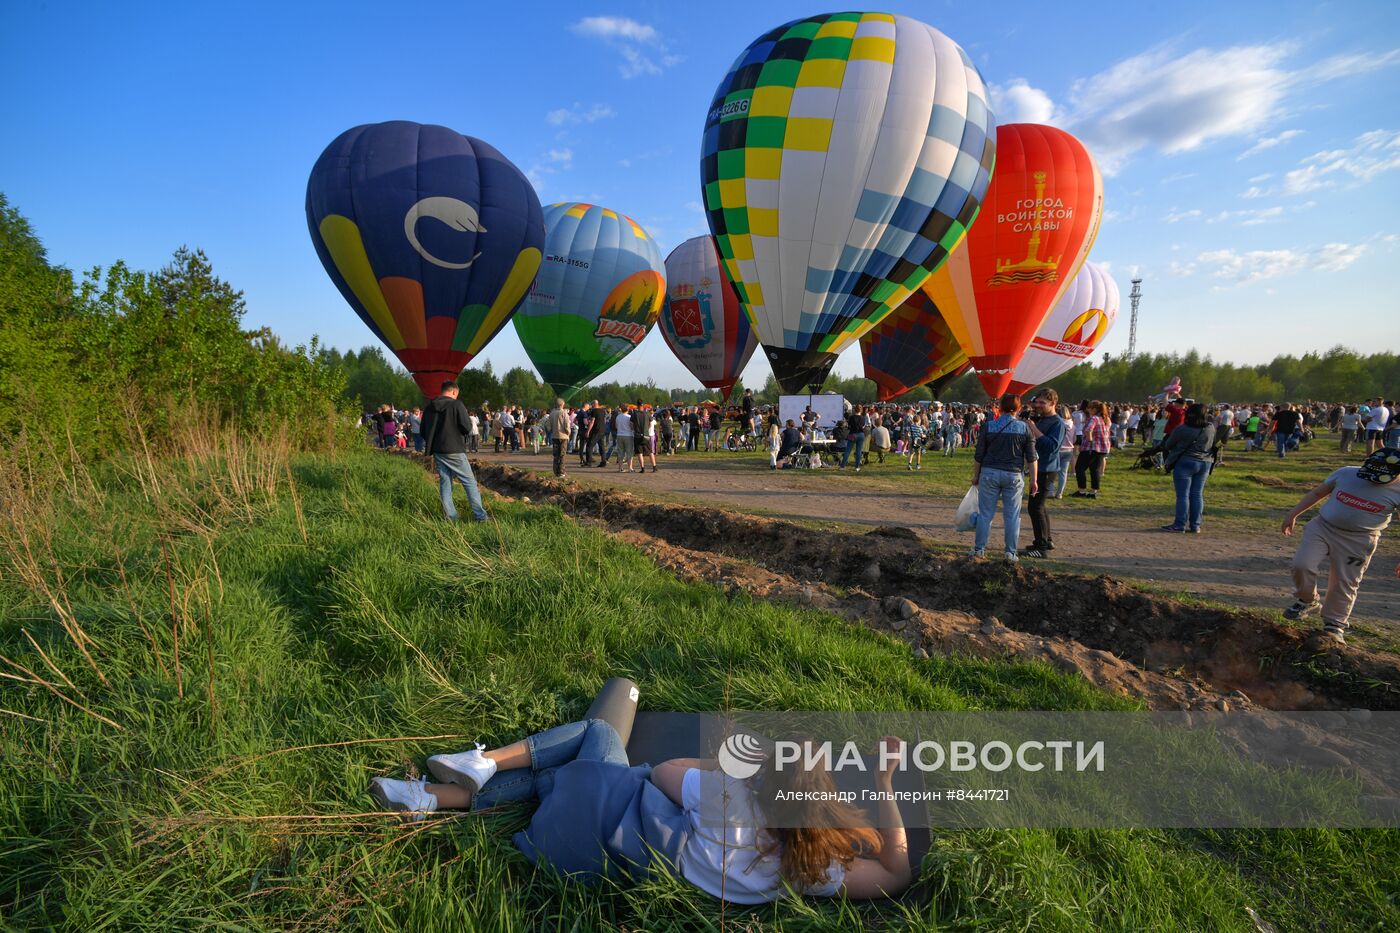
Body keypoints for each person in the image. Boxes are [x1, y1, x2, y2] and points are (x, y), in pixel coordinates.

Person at [367, 719, 911, 903]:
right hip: (615, 861)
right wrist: (884, 783)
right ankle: (430, 799)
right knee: (559, 781)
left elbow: (663, 770)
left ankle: (483, 763)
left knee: (598, 736)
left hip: (617, 816)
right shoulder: (808, 866)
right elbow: (896, 868)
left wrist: (730, 768)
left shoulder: (730, 797)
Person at [1281, 447, 1400, 646]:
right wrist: (1293, 514)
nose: (1372, 479)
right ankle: (1308, 600)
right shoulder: (1346, 473)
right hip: (1322, 527)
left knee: (1345, 582)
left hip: (1360, 539)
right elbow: (1318, 493)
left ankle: (1334, 624)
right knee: (1302, 564)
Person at [970, 393, 1038, 561]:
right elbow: (1031, 457)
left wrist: (975, 476)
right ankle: (1010, 552)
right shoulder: (1025, 428)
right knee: (1012, 516)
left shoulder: (988, 426)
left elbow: (979, 455)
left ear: (999, 407)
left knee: (986, 514)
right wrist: (1034, 480)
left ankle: (979, 549)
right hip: (1014, 474)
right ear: (1019, 409)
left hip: (989, 472)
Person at [420, 381, 489, 522]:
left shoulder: (429, 407)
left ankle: (451, 517)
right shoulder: (456, 404)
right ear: (454, 392)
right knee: (469, 482)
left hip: (437, 450)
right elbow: (467, 427)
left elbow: (423, 430)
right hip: (454, 449)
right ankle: (481, 517)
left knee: (445, 482)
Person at [1160, 403, 1217, 534]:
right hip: (1205, 463)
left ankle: (1179, 524)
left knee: (1183, 495)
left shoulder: (1182, 428)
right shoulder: (1210, 427)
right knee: (1197, 494)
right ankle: (1195, 525)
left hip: (1185, 462)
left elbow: (1168, 445)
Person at [1023, 389, 1064, 558]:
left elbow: (1051, 446)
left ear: (1053, 404)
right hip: (1039, 467)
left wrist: (1033, 429)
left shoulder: (1057, 423)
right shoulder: (1042, 419)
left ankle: (1041, 548)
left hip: (1047, 469)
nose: (1038, 406)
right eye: (1037, 402)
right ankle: (1046, 540)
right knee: (1040, 506)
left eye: (1042, 403)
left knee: (1035, 507)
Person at [1073, 401, 1111, 499]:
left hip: (1091, 447)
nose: (1087, 410)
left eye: (1089, 408)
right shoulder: (1106, 418)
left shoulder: (1094, 418)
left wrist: (1089, 440)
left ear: (1094, 409)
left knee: (1079, 468)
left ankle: (1082, 491)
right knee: (1095, 470)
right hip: (1103, 448)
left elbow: (1088, 430)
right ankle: (1093, 492)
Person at [543, 398, 571, 479]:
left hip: (555, 435)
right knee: (562, 454)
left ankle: (555, 471)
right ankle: (561, 472)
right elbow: (567, 425)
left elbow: (548, 425)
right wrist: (568, 432)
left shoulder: (552, 413)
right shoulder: (564, 413)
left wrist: (551, 430)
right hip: (563, 436)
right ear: (562, 404)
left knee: (556, 454)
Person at [840, 406, 867, 471]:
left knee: (848, 450)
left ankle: (842, 466)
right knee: (858, 451)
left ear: (854, 410)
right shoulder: (863, 418)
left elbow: (849, 426)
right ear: (861, 410)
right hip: (861, 434)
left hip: (852, 434)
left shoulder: (851, 417)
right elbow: (863, 426)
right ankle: (857, 467)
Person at [634, 403, 658, 473]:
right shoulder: (647, 413)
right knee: (650, 451)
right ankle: (654, 467)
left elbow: (631, 424)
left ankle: (642, 468)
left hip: (638, 435)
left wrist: (635, 429)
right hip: (646, 435)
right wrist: (646, 429)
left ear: (637, 405)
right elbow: (651, 423)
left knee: (640, 452)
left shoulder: (635, 414)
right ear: (642, 405)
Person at [614, 405, 637, 473]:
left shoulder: (618, 417)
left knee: (620, 452)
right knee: (629, 452)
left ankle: (620, 468)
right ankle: (630, 468)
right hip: (628, 435)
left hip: (619, 435)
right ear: (628, 410)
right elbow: (632, 426)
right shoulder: (629, 417)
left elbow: (616, 426)